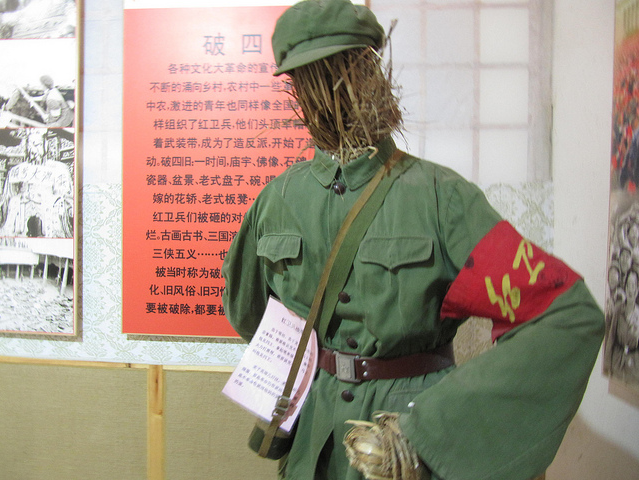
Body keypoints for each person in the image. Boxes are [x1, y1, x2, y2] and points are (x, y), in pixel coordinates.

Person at [221, 1, 605, 479]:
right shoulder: (277, 201)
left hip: (408, 447)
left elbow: (564, 313)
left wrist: (432, 428)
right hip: (314, 444)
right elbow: (248, 309)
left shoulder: (441, 198)